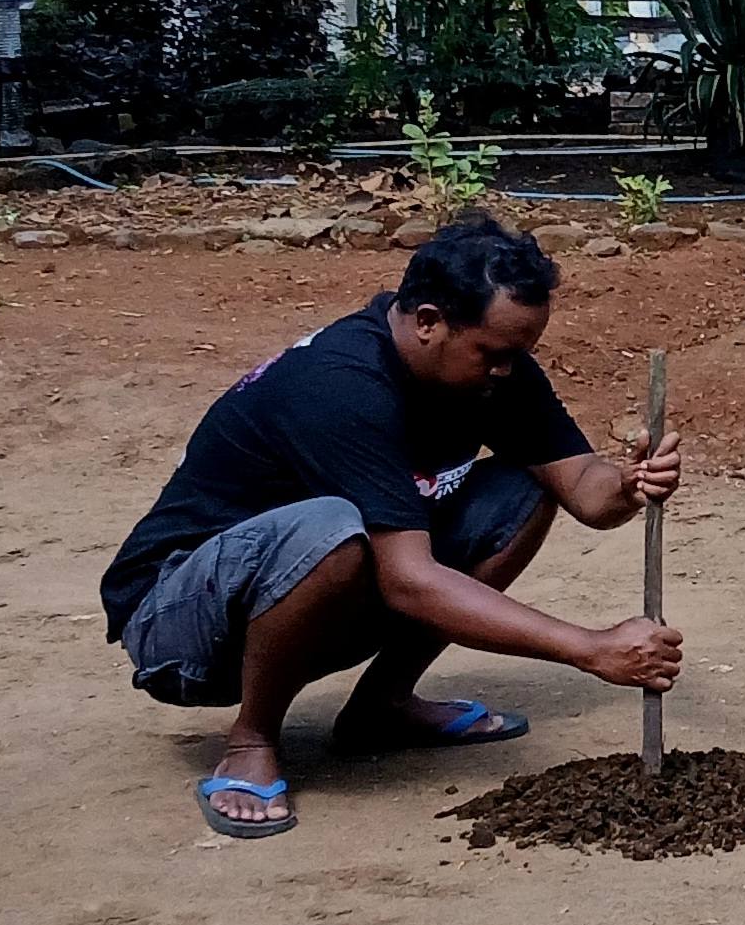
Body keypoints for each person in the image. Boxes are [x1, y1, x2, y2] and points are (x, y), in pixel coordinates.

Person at [100, 216, 684, 838]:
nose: (508, 371)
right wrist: (589, 648)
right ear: (429, 321)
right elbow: (409, 582)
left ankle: (382, 706)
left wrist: (628, 485)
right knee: (333, 528)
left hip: (319, 596)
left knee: (520, 486)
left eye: (521, 355)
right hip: (182, 627)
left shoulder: (493, 373)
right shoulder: (339, 385)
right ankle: (251, 738)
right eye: (493, 353)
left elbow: (584, 493)